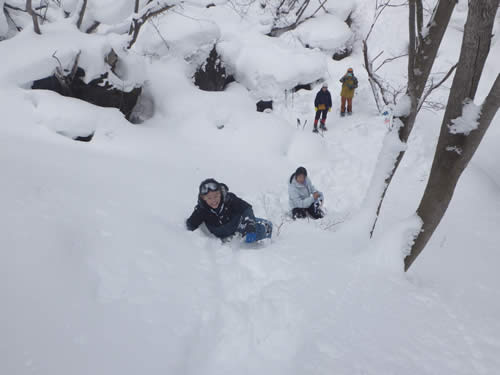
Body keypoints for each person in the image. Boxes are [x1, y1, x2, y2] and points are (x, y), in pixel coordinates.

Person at [186, 178, 272, 243]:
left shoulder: (229, 199)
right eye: (209, 198)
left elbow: (246, 208)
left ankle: (264, 226)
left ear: (220, 193)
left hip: (237, 224)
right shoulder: (201, 210)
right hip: (221, 232)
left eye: (216, 196)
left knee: (258, 230)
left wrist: (250, 224)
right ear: (203, 198)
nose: (214, 200)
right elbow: (190, 225)